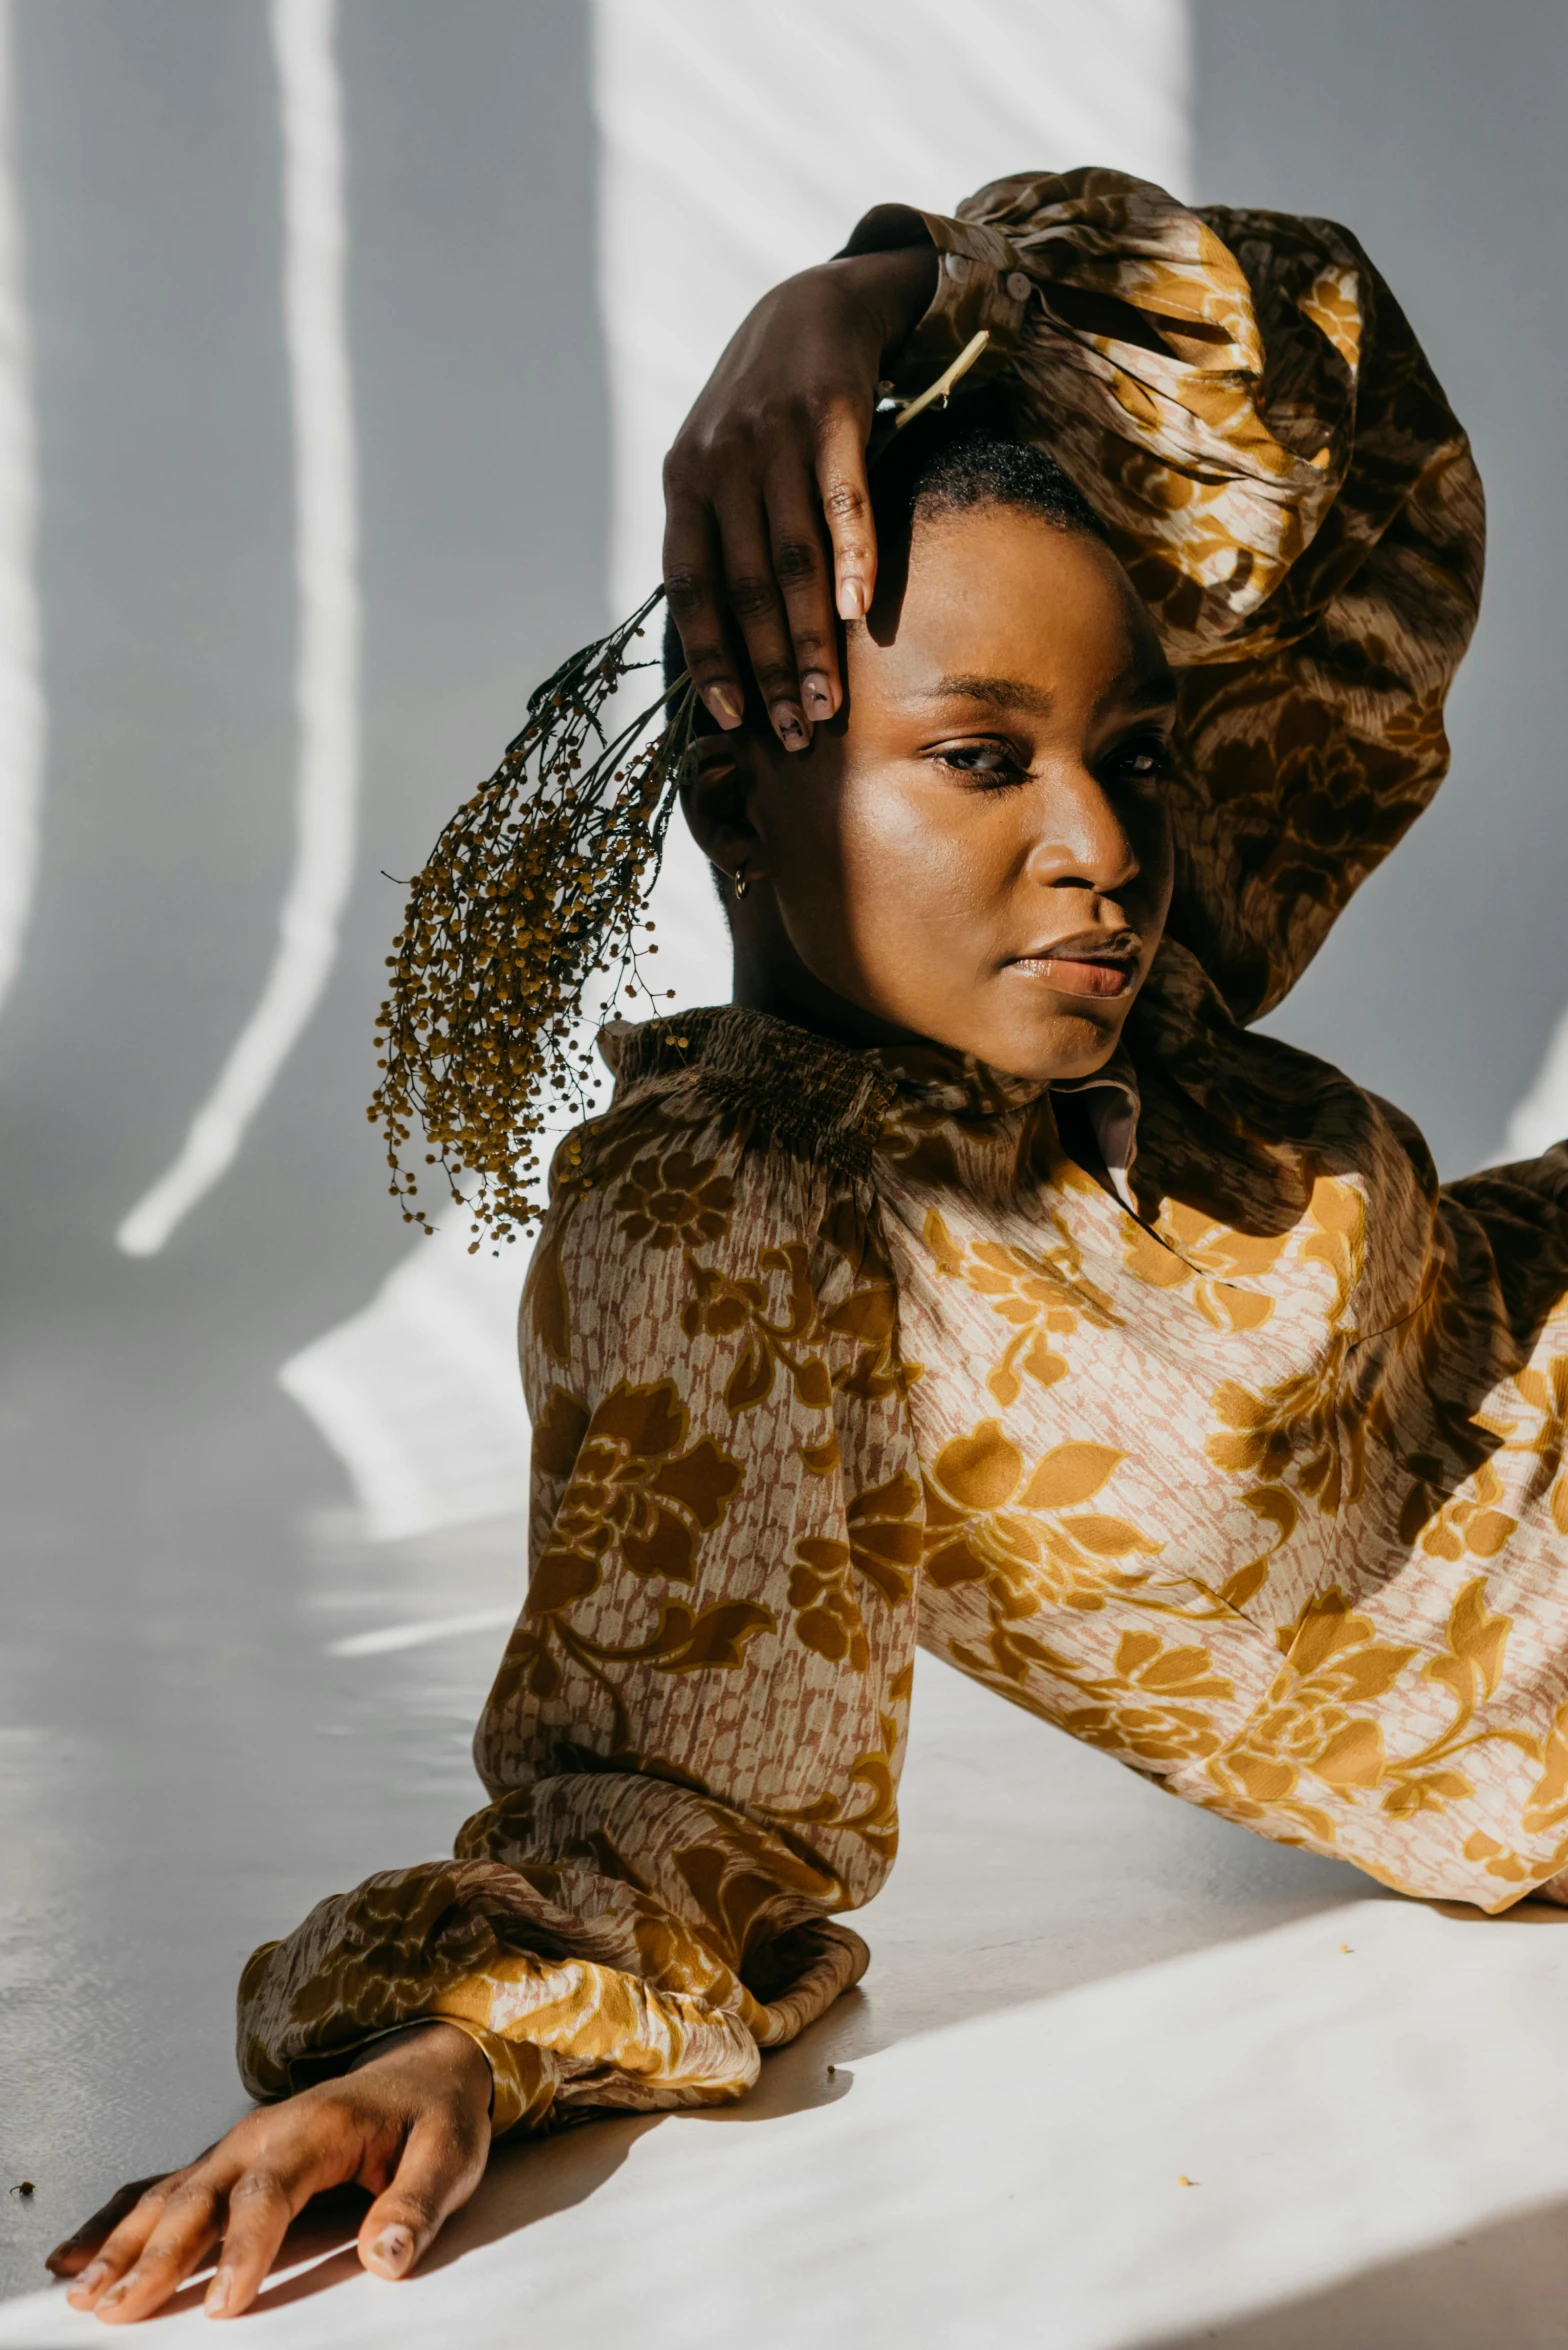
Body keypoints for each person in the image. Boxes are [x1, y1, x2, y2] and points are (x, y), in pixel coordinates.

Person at [50, 165, 1568, 2327]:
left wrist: (887, 287)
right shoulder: (743, 1220)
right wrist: (451, 2036)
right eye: (974, 756)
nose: (1109, 847)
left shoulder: (1129, 982)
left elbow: (1333, 406)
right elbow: (676, 1773)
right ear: (738, 789)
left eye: (1125, 755)